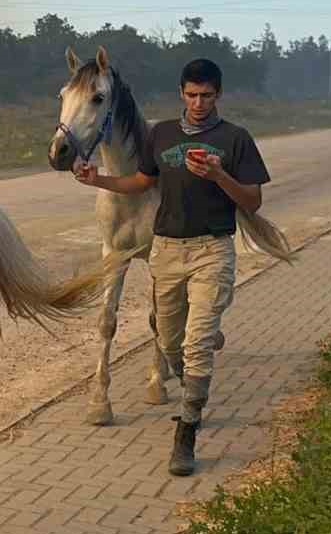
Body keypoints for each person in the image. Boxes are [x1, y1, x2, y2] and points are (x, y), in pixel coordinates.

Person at [72, 58, 270, 477]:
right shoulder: (161, 134)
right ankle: (188, 388)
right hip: (166, 251)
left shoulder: (235, 139)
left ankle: (187, 430)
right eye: (192, 95)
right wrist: (98, 181)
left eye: (207, 95)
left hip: (212, 250)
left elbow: (251, 201)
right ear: (182, 93)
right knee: (170, 341)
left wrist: (219, 176)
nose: (199, 103)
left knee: (198, 342)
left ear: (218, 95)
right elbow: (140, 183)